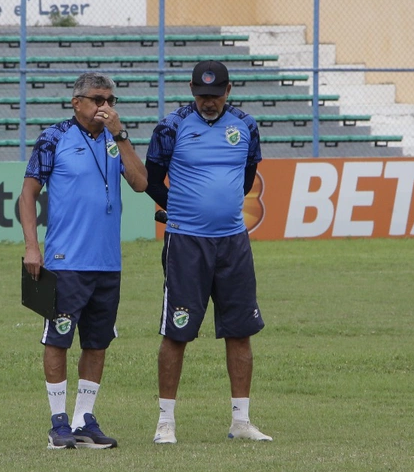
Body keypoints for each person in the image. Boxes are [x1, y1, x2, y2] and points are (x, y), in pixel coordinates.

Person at [144, 60, 272, 444]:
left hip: (233, 241)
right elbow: (151, 178)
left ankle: (241, 420)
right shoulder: (171, 127)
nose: (208, 103)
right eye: (201, 95)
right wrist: (179, 206)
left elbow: (247, 176)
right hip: (186, 242)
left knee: (240, 330)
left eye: (215, 96)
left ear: (228, 92)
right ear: (191, 91)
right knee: (177, 332)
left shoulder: (246, 126)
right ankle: (165, 421)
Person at [19, 72, 147, 449]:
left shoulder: (115, 138)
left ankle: (83, 420)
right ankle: (58, 423)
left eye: (110, 100)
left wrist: (121, 136)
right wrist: (32, 246)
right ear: (77, 103)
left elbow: (141, 183)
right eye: (97, 99)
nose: (105, 107)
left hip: (107, 262)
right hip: (64, 259)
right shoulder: (53, 138)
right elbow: (27, 195)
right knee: (58, 339)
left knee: (97, 342)